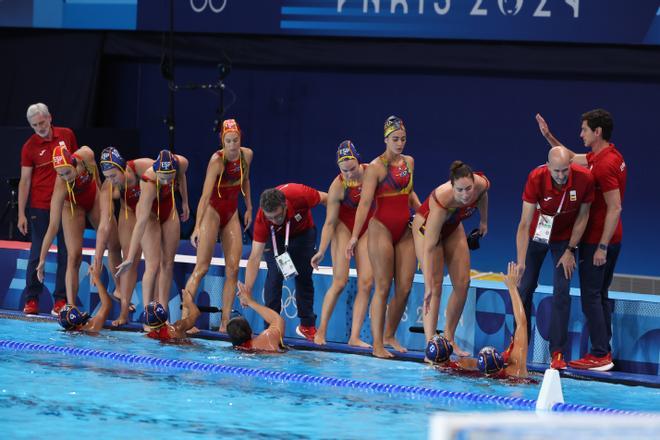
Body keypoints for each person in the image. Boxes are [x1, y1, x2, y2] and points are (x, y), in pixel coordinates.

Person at [536, 110, 625, 372]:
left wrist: (601, 246)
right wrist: (549, 136)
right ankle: (603, 351)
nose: (580, 134)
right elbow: (571, 158)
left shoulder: (606, 164)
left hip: (599, 240)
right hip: (609, 238)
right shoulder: (607, 155)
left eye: (584, 129)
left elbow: (615, 207)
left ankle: (600, 353)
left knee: (591, 297)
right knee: (600, 295)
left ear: (597, 132)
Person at [346, 116, 421, 358]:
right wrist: (355, 237)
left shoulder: (409, 162)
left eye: (403, 139)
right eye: (395, 139)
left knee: (406, 286)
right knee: (383, 286)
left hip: (404, 229)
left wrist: (424, 215)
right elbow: (364, 204)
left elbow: (409, 194)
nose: (400, 143)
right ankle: (377, 344)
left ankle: (390, 334)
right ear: (385, 139)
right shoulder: (375, 167)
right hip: (381, 229)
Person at [515, 146, 594, 370]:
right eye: (556, 171)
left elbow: (583, 215)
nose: (560, 176)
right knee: (524, 287)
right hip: (537, 234)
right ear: (548, 166)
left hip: (564, 240)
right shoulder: (535, 178)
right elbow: (523, 223)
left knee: (562, 290)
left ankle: (557, 352)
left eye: (564, 170)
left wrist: (571, 249)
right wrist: (521, 261)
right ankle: (518, 346)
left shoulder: (584, 178)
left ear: (571, 165)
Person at [412, 161, 489, 355]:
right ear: (452, 186)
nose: (465, 195)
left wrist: (483, 220)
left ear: (474, 183)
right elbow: (429, 246)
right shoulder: (441, 199)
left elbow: (482, 196)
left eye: (469, 189)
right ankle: (431, 346)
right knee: (435, 286)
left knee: (463, 284)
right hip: (427, 230)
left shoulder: (480, 185)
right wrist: (427, 283)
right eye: (460, 190)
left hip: (453, 226)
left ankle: (449, 338)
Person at [183, 119, 253, 332]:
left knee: (232, 269)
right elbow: (204, 197)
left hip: (231, 212)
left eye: (236, 140)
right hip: (212, 211)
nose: (232, 145)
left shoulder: (247, 155)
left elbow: (246, 180)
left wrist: (249, 207)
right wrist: (196, 227)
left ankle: (224, 323)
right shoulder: (216, 161)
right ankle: (186, 318)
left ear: (241, 139)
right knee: (202, 267)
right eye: (228, 141)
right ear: (222, 141)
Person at [36, 144, 123, 307]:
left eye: (67, 172)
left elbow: (97, 177)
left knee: (114, 243)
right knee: (74, 256)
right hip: (72, 207)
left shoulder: (87, 155)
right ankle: (71, 307)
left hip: (93, 196)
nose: (66, 177)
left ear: (74, 163)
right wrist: (42, 259)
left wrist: (102, 197)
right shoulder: (61, 185)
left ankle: (120, 290)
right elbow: (53, 226)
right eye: (60, 174)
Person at [240, 184, 327, 341]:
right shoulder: (262, 219)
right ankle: (271, 329)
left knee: (304, 276)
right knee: (274, 279)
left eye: (278, 216)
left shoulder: (299, 194)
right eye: (270, 217)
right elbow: (254, 257)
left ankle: (307, 326)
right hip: (276, 240)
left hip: (303, 233)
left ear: (285, 205)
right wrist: (248, 290)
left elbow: (329, 199)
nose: (274, 220)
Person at [310, 140, 373, 347]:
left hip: (364, 229)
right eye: (344, 170)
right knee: (339, 281)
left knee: (366, 283)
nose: (349, 174)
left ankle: (354, 336)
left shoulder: (372, 173)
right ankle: (321, 331)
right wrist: (321, 251)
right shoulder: (338, 185)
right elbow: (329, 222)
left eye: (352, 169)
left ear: (359, 161)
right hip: (343, 227)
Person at [19, 103, 77, 316]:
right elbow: (24, 181)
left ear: (50, 118)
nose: (40, 128)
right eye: (35, 125)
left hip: (67, 205)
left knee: (66, 253)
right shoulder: (29, 147)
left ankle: (60, 300)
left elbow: (76, 165)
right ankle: (32, 299)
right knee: (36, 254)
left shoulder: (67, 135)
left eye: (42, 122)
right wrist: (21, 213)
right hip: (41, 206)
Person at [115, 150, 190, 314]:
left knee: (168, 264)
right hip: (150, 216)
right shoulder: (148, 181)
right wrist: (129, 258)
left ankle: (162, 312)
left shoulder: (181, 163)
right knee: (152, 265)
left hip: (169, 211)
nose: (165, 180)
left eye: (169, 176)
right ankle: (149, 313)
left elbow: (181, 176)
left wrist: (184, 201)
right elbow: (140, 223)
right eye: (162, 177)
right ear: (156, 171)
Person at [426, 262, 528, 379]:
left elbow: (451, 364)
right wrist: (512, 288)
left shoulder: (460, 367)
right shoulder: (516, 369)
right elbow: (522, 323)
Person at [94, 147, 144, 326]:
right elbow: (104, 225)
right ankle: (124, 313)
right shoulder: (108, 186)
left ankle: (156, 313)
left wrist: (184, 200)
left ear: (122, 168)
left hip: (152, 214)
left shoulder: (141, 167)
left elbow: (175, 169)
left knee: (159, 263)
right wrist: (98, 258)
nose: (110, 180)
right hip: (129, 213)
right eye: (106, 176)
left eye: (113, 175)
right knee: (130, 261)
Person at [227, 281, 286, 352]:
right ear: (251, 332)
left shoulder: (235, 350)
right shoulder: (267, 337)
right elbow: (277, 319)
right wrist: (250, 301)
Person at [57, 265, 112, 333]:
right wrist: (96, 278)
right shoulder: (92, 327)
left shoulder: (71, 332)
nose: (83, 313)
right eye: (80, 312)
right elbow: (107, 305)